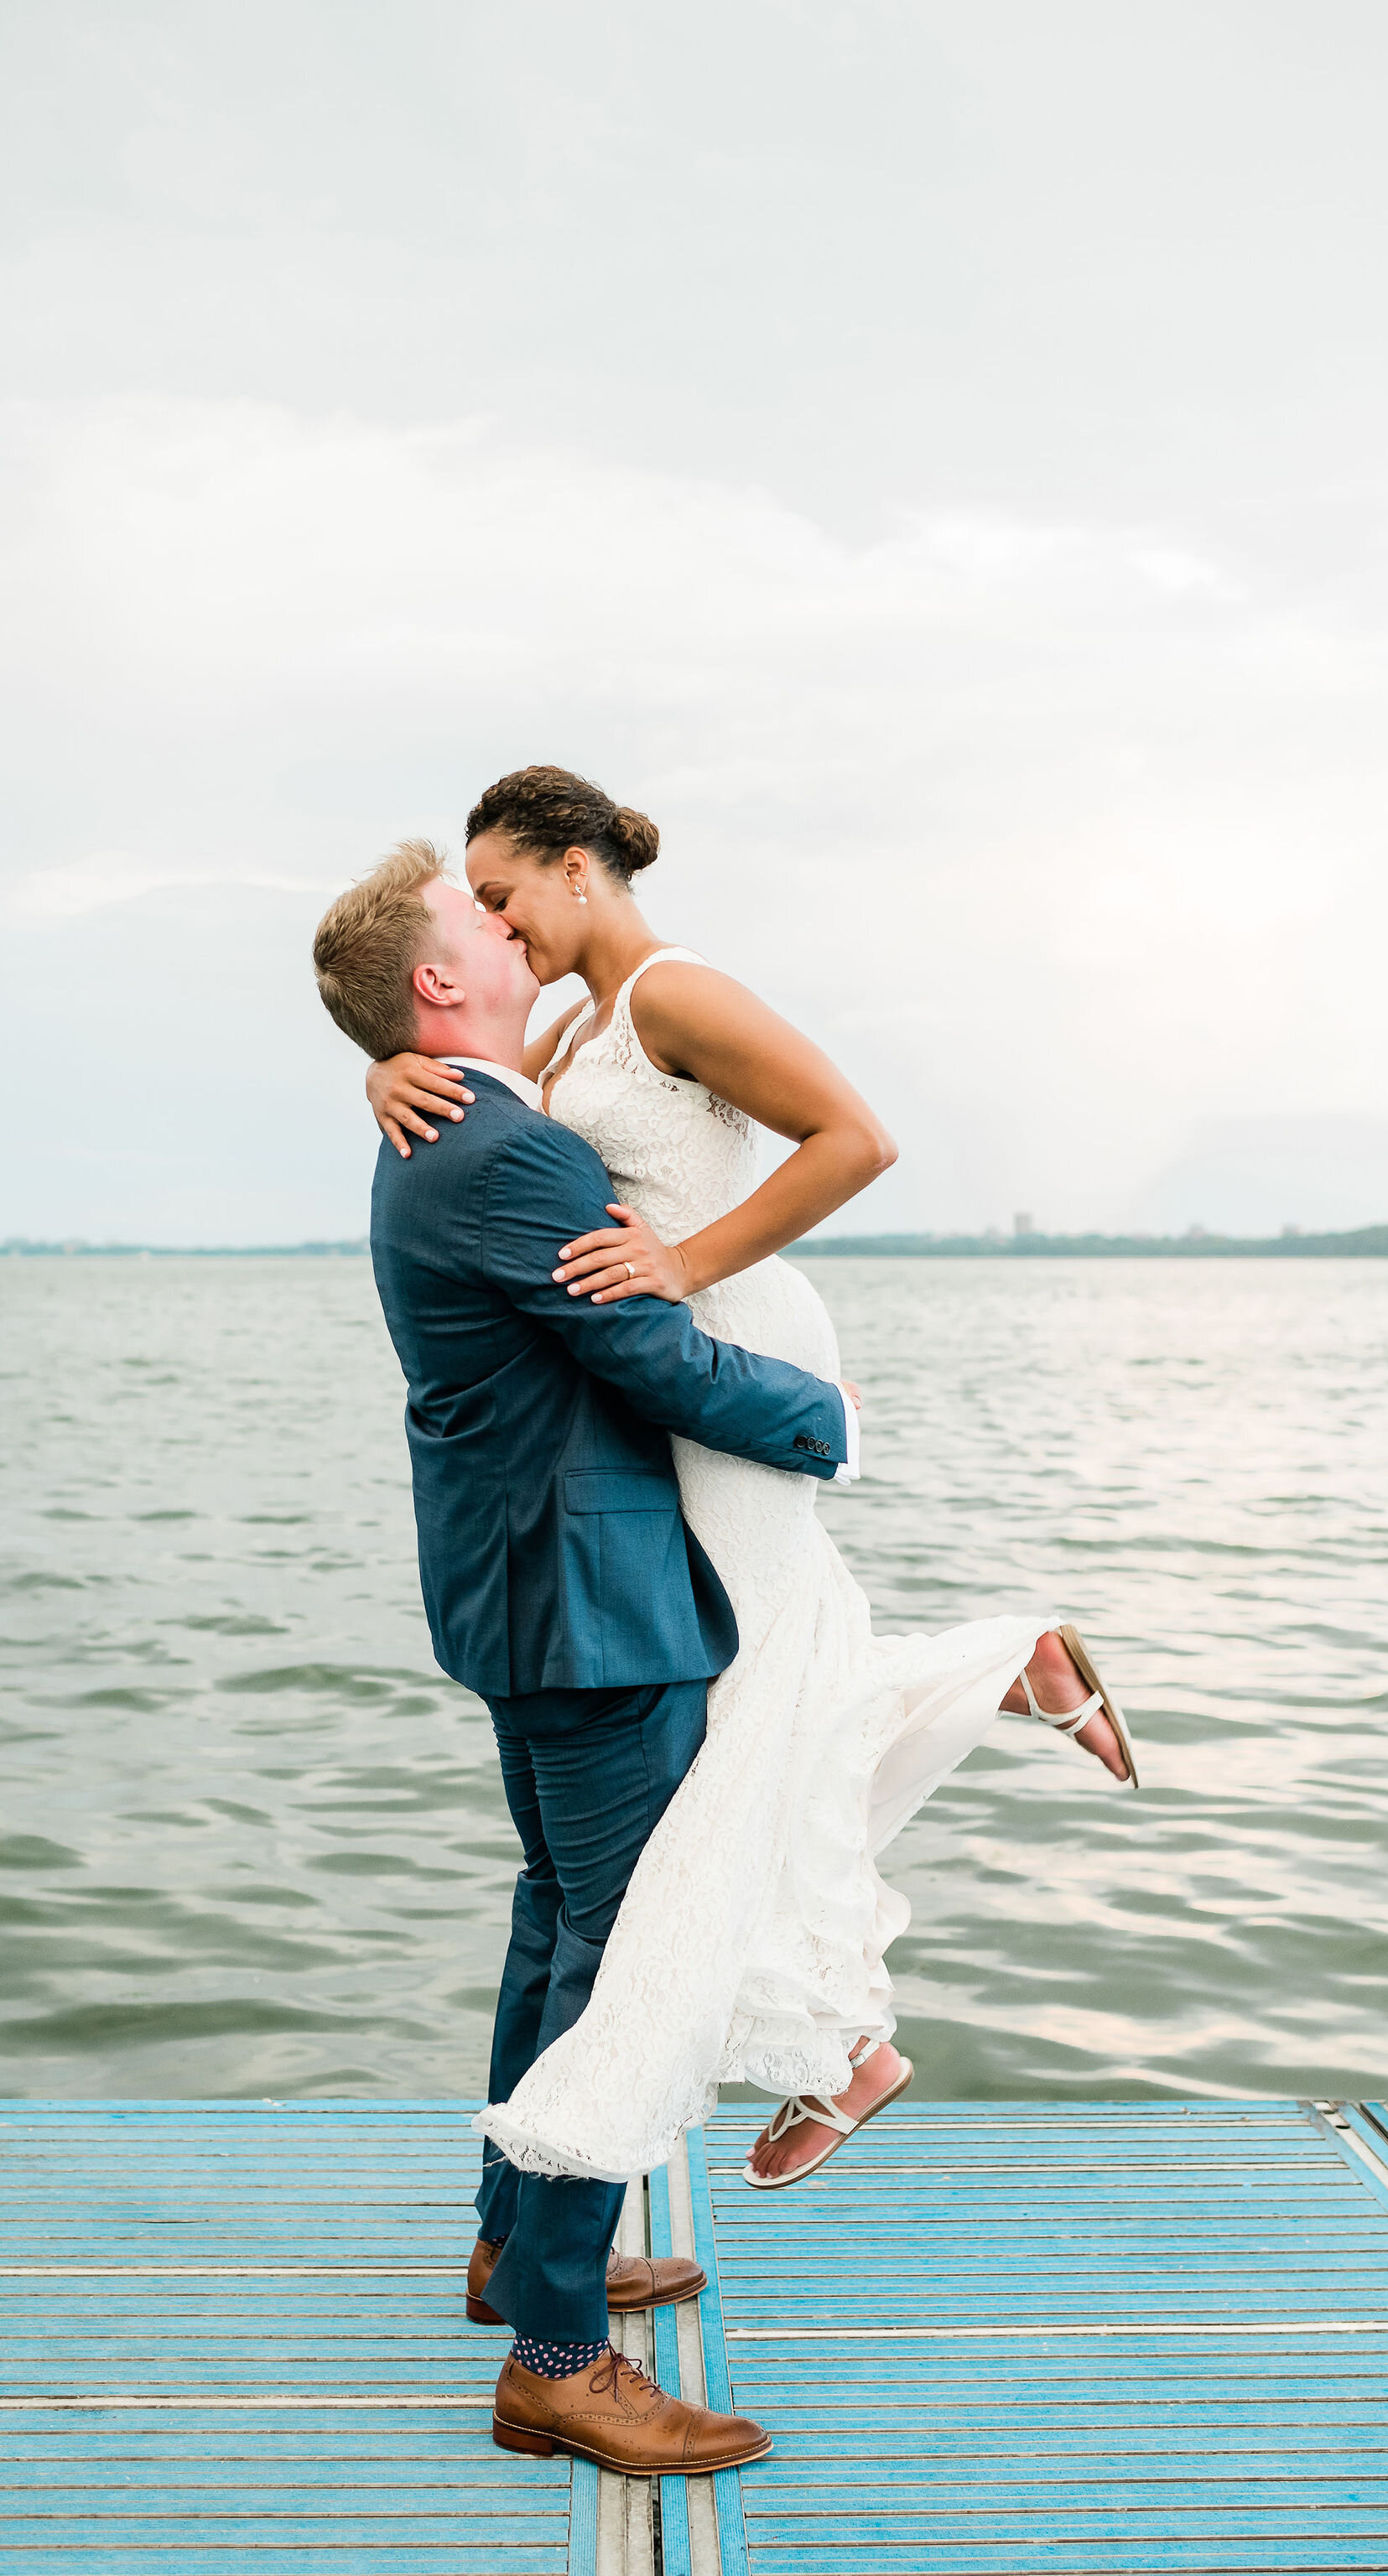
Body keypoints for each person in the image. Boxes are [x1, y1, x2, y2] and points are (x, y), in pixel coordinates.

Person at [364, 766, 1136, 2201]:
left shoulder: (670, 991)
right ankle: (988, 1710)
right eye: (473, 907)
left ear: (578, 866)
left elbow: (859, 1139)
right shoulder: (585, 1016)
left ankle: (842, 2037)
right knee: (763, 1689)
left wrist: (686, 1263)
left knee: (761, 1694)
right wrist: (380, 1063)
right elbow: (494, 1104)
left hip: (721, 1339)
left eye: (502, 891)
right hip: (671, 1348)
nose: (493, 920)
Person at [313, 839, 864, 2476]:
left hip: (516, 1589)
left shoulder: (443, 1124)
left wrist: (385, 1072)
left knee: (561, 1916)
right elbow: (649, 1351)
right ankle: (558, 2353)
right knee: (621, 1958)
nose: (498, 928)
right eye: (470, 924)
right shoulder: (497, 1152)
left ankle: (511, 2249)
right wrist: (823, 1417)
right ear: (433, 986)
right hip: (585, 1599)